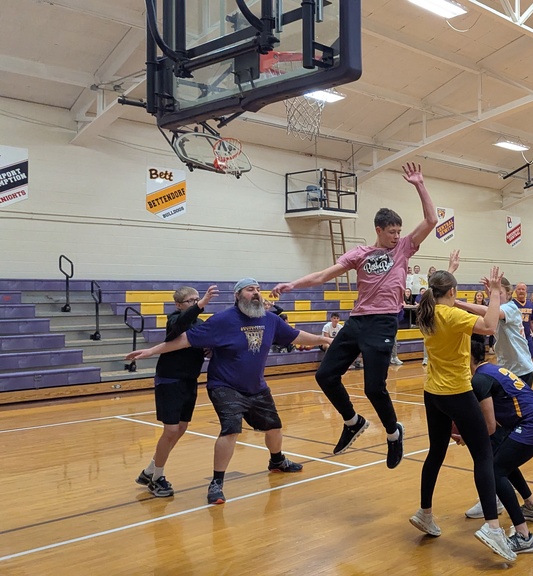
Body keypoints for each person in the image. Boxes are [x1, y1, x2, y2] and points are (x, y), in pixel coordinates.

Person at [272, 162, 437, 467]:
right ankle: (352, 422)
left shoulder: (402, 249)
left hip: (384, 321)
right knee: (324, 374)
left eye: (398, 231)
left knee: (374, 387)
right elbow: (324, 274)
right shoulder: (359, 253)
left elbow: (431, 219)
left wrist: (419, 185)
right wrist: (292, 284)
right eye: (391, 231)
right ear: (378, 230)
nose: (395, 235)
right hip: (357, 321)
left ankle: (393, 434)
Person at [126, 278, 334, 505]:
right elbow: (183, 340)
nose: (255, 293)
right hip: (224, 385)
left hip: (255, 386)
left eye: (258, 289)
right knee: (230, 429)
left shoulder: (270, 320)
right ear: (237, 295)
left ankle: (277, 461)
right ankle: (216, 482)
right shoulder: (222, 320)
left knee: (274, 427)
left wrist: (323, 339)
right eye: (249, 289)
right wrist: (151, 351)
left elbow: (296, 336)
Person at [408, 266, 518, 563]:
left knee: (435, 453)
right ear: (453, 292)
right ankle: (493, 528)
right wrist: (495, 293)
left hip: (432, 393)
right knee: (484, 456)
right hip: (456, 392)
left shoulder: (426, 312)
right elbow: (490, 326)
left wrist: (450, 270)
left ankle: (425, 513)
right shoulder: (451, 315)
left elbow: (440, 291)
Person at [455, 340, 533, 554]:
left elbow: (489, 427)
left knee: (494, 470)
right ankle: (531, 508)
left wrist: (467, 435)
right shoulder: (492, 369)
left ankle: (524, 537)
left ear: (466, 357)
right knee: (504, 462)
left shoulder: (479, 380)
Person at [135, 284, 218, 498]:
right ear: (179, 305)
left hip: (189, 381)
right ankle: (157, 478)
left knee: (181, 428)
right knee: (170, 430)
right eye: (191, 301)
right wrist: (201, 305)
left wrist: (208, 350)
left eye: (196, 299)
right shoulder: (174, 320)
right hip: (170, 380)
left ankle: (150, 470)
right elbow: (181, 324)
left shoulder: (200, 324)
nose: (195, 303)